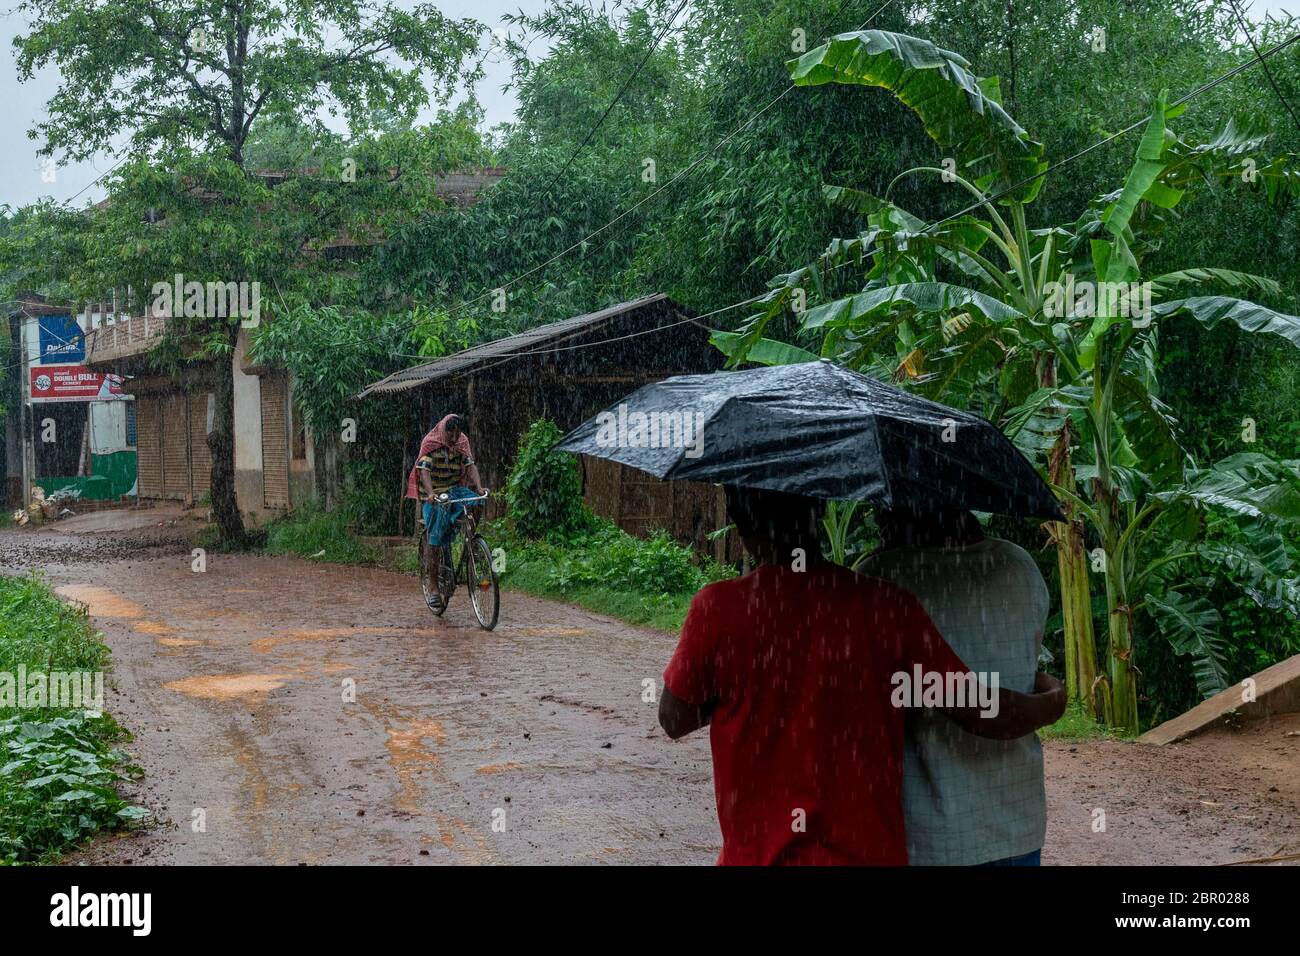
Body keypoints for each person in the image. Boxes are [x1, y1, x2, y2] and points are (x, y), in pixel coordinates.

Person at [658, 485, 1066, 866]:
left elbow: (674, 719)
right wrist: (1049, 701)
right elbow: (978, 709)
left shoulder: (717, 610)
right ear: (821, 508)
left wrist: (742, 689)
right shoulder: (887, 607)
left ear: (738, 521)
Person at [857, 507, 1052, 867]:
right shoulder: (1019, 564)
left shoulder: (882, 576)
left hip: (931, 834)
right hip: (1018, 821)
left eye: (883, 507)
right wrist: (1051, 702)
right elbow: (1021, 667)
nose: (877, 517)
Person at [405, 414, 487, 605]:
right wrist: (432, 493)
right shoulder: (431, 443)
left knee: (477, 501)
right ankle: (433, 586)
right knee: (435, 537)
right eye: (451, 433)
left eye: (458, 433)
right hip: (434, 495)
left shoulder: (462, 443)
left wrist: (479, 487)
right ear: (444, 431)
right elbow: (423, 471)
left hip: (454, 491)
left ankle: (471, 541)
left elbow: (470, 465)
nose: (454, 437)